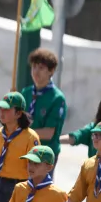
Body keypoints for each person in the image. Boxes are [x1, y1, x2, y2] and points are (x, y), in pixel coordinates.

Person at [21, 49, 67, 179]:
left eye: (41, 68)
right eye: (34, 67)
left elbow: (48, 133)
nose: (36, 71)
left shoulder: (57, 98)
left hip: (44, 155)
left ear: (51, 71)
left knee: (39, 193)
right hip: (24, 151)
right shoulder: (26, 93)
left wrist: (23, 131)